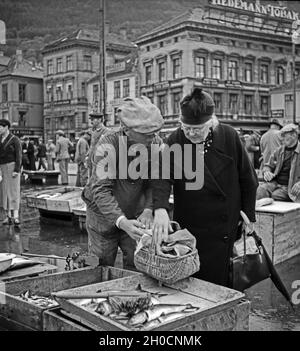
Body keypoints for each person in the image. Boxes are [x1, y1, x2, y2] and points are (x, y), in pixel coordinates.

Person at [151, 88, 258, 287]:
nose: (191, 133)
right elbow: (161, 177)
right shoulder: (175, 140)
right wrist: (160, 208)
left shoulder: (228, 136)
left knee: (222, 281)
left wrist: (249, 215)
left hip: (223, 224)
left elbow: (248, 178)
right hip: (190, 225)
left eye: (197, 129)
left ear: (211, 124)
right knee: (191, 280)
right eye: (186, 128)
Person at [82, 96, 164, 270]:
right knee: (100, 266)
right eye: (147, 134)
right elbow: (101, 190)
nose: (153, 137)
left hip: (135, 214)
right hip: (102, 218)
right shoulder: (108, 143)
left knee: (137, 265)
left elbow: (155, 182)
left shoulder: (155, 143)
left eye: (155, 132)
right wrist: (121, 221)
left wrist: (149, 209)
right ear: (127, 130)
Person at [257, 124, 300, 202]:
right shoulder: (279, 150)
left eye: (284, 135)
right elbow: (268, 165)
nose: (281, 138)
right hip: (275, 183)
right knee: (260, 190)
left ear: (294, 135)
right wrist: (267, 171)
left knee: (276, 195)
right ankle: (255, 213)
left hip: (290, 186)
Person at [0, 119, 22, 226]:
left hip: (12, 166)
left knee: (14, 191)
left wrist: (17, 170)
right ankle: (8, 216)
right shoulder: (0, 139)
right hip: (3, 167)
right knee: (4, 192)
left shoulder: (14, 139)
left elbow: (19, 156)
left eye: (0, 127)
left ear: (6, 127)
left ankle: (16, 216)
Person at [87, 112, 110, 177]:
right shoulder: (94, 132)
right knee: (91, 178)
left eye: (93, 119)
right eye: (91, 119)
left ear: (100, 120)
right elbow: (92, 146)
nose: (91, 121)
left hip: (100, 160)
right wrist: (88, 156)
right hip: (92, 159)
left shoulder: (106, 131)